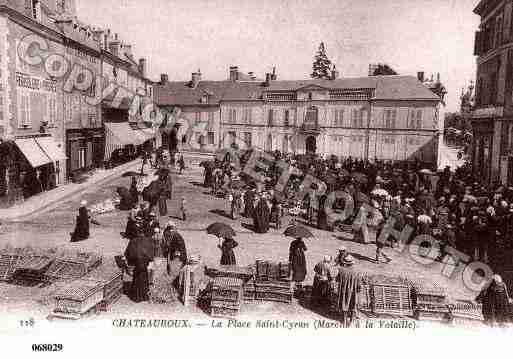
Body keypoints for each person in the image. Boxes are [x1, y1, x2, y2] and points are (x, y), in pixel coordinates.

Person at [124, 225, 154, 303]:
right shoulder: (148, 241)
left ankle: (136, 297)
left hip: (137, 264)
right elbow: (151, 254)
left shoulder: (133, 241)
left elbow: (128, 253)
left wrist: (131, 261)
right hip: (144, 264)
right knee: (144, 279)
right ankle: (144, 296)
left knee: (136, 279)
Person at [335, 255, 361, 328]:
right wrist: (358, 288)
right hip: (353, 291)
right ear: (352, 263)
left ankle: (344, 320)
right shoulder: (357, 271)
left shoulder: (341, 270)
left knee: (344, 303)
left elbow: (337, 279)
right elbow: (359, 284)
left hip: (344, 291)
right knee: (353, 304)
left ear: (345, 263)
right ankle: (352, 320)